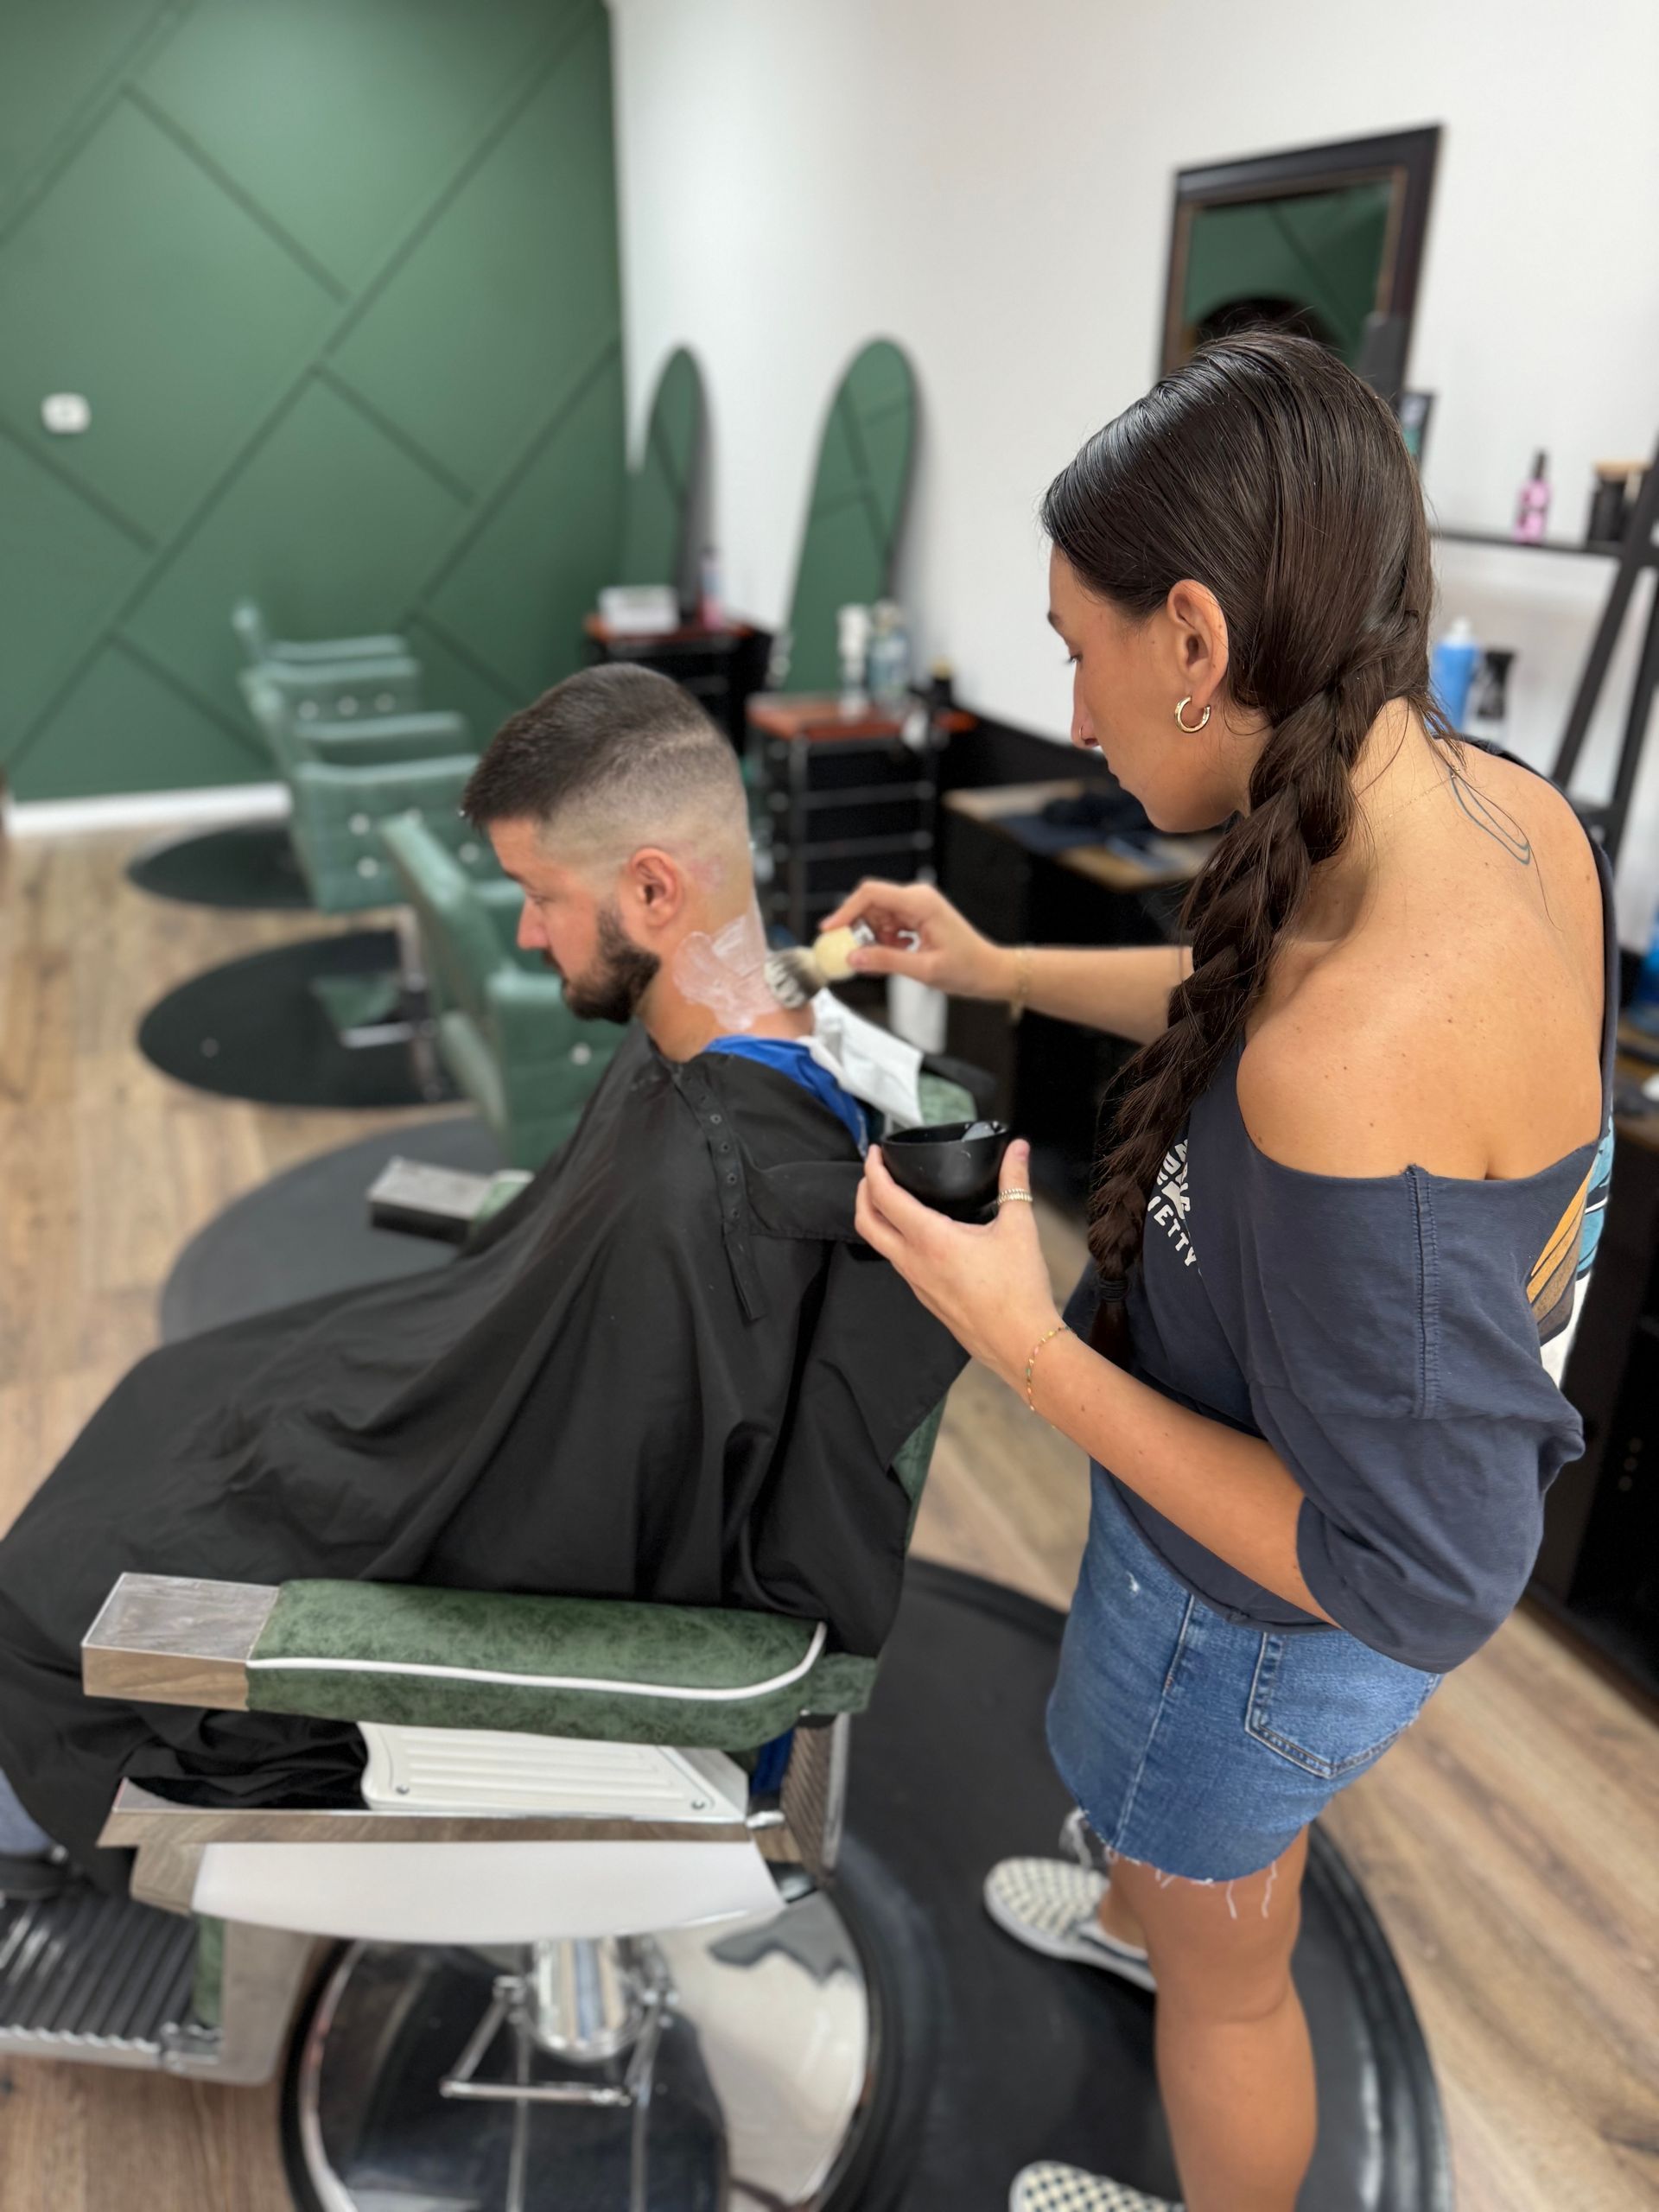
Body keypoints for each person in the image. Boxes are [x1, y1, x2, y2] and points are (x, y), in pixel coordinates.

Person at [833, 335, 1614, 2212]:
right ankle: (1143, 1903)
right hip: (1211, 1546)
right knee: (1162, 1843)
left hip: (1255, 1623)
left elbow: (1410, 1570)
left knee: (1235, 1960)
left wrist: (1017, 1335)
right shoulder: (1492, 810)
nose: (1074, 709)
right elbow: (1251, 983)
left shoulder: (1344, 1063)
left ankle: (1196, 2024)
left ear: (1195, 636)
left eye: (1077, 647)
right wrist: (1004, 971)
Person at [0, 664, 965, 1894]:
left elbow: (582, 1534)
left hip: (477, 1518)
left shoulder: (703, 1204)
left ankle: (40, 1808)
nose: (524, 932)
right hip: (463, 1403)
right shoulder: (732, 1031)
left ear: (653, 890)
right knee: (173, 1398)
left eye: (536, 896)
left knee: (57, 1590)